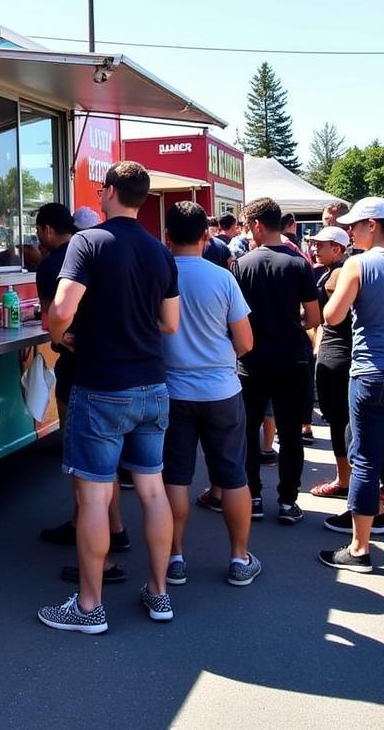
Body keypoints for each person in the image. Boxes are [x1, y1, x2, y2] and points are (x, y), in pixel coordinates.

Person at [37, 162, 179, 634]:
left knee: (95, 498)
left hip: (101, 387)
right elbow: (170, 323)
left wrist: (62, 336)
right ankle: (159, 593)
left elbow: (60, 310)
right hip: (153, 386)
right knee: (153, 491)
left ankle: (88, 607)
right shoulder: (161, 252)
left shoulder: (87, 242)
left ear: (112, 192)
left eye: (102, 188)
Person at [318, 197, 384, 581]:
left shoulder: (358, 264)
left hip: (371, 374)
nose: (349, 231)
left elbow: (332, 316)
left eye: (354, 225)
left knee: (365, 458)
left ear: (372, 225)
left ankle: (360, 549)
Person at [161, 202, 261, 586]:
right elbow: (246, 342)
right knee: (234, 477)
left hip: (172, 391)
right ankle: (238, 559)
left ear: (167, 237)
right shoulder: (223, 278)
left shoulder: (160, 276)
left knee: (175, 477)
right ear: (206, 235)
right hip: (221, 390)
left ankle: (174, 556)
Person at [34, 203, 131, 572]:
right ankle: (116, 530)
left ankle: (98, 558)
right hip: (125, 368)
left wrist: (62, 337)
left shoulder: (51, 265)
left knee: (84, 466)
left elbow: (52, 319)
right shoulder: (106, 248)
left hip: (81, 369)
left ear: (45, 230)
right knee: (109, 464)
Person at [232, 197, 320, 525]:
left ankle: (252, 496)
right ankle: (287, 500)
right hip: (292, 358)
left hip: (252, 359)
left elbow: (234, 318)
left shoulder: (241, 265)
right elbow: (314, 317)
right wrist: (291, 321)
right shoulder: (299, 264)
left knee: (248, 431)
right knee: (290, 433)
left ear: (257, 225)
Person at [309, 226, 354, 499]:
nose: (315, 249)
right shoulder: (336, 271)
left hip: (339, 357)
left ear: (337, 248)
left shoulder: (339, 275)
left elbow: (330, 317)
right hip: (341, 355)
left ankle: (346, 482)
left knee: (341, 423)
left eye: (321, 245)